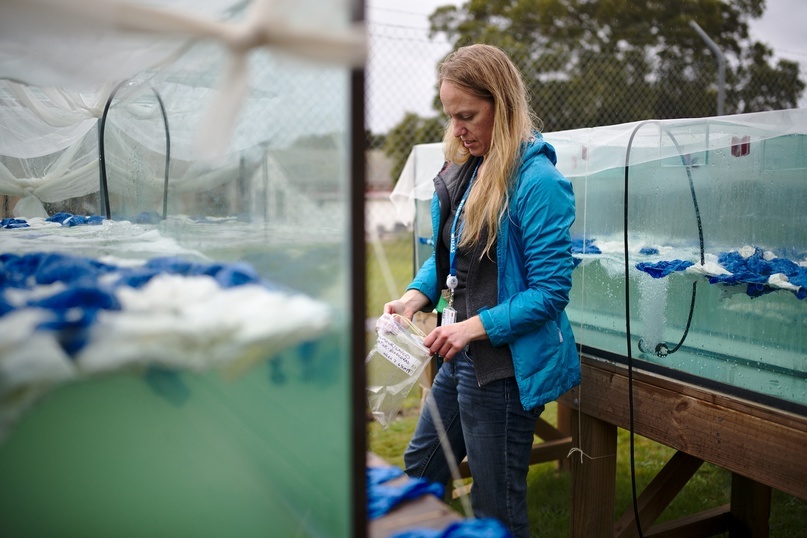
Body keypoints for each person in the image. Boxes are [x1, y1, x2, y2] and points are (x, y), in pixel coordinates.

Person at [383, 44, 580, 537]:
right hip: (462, 356)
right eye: (450, 116)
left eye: (467, 116)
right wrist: (414, 297)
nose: (457, 130)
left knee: (496, 508)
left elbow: (550, 292)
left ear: (503, 105)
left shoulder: (539, 183)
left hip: (504, 370)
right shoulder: (471, 168)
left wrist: (471, 328)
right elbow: (452, 258)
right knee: (422, 468)